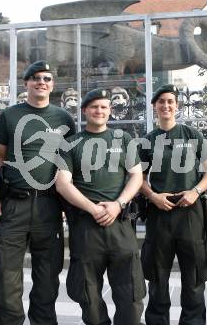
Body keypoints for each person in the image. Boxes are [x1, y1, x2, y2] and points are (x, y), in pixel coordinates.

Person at [0, 60, 76, 325]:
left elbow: (67, 164)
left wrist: (66, 206)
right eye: (36, 77)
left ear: (53, 85)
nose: (42, 82)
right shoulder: (9, 115)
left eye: (47, 78)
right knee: (6, 273)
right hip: (14, 203)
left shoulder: (64, 118)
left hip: (49, 206)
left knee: (48, 275)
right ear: (26, 83)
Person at [55, 88, 146, 325]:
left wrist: (118, 204)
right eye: (94, 106)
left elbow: (136, 176)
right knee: (88, 293)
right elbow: (63, 184)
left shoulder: (123, 139)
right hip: (86, 227)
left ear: (109, 110)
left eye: (104, 107)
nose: (99, 111)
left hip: (120, 224)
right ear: (84, 110)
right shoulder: (70, 144)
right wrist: (92, 208)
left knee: (131, 291)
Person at [139, 84, 207, 325]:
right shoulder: (148, 141)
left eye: (170, 101)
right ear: (154, 107)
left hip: (190, 211)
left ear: (177, 106)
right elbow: (138, 178)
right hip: (160, 212)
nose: (166, 106)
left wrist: (195, 192)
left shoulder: (192, 135)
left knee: (193, 276)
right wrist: (153, 196)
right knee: (157, 275)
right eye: (161, 102)